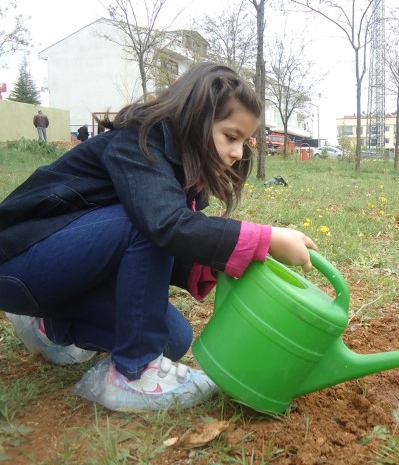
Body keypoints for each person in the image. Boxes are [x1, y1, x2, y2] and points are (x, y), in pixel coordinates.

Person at [0, 63, 317, 412]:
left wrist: (223, 261)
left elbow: (162, 236)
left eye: (245, 141)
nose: (238, 153)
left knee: (171, 338)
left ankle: (48, 326)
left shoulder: (180, 172)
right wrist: (264, 238)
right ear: (197, 119)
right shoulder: (138, 143)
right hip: (18, 262)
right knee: (146, 224)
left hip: (63, 273)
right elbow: (163, 225)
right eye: (230, 136)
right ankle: (131, 374)